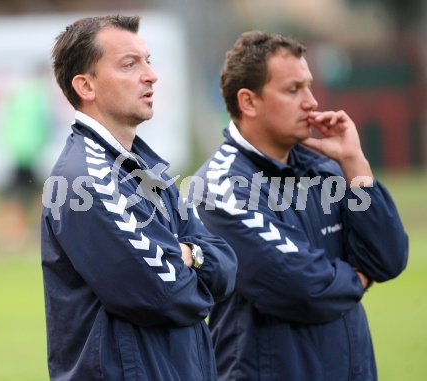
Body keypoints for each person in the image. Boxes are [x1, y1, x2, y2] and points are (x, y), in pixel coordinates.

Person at [192, 31, 408, 381]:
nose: (311, 101)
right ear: (248, 102)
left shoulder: (324, 167)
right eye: (293, 90)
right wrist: (359, 278)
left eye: (309, 86)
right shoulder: (220, 187)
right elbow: (304, 288)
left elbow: (390, 257)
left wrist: (355, 164)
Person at [41, 15, 237, 381]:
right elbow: (171, 294)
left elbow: (226, 265)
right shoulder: (86, 179)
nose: (151, 75)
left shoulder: (147, 167)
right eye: (130, 64)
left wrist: (189, 254)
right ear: (86, 86)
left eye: (148, 61)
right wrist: (195, 260)